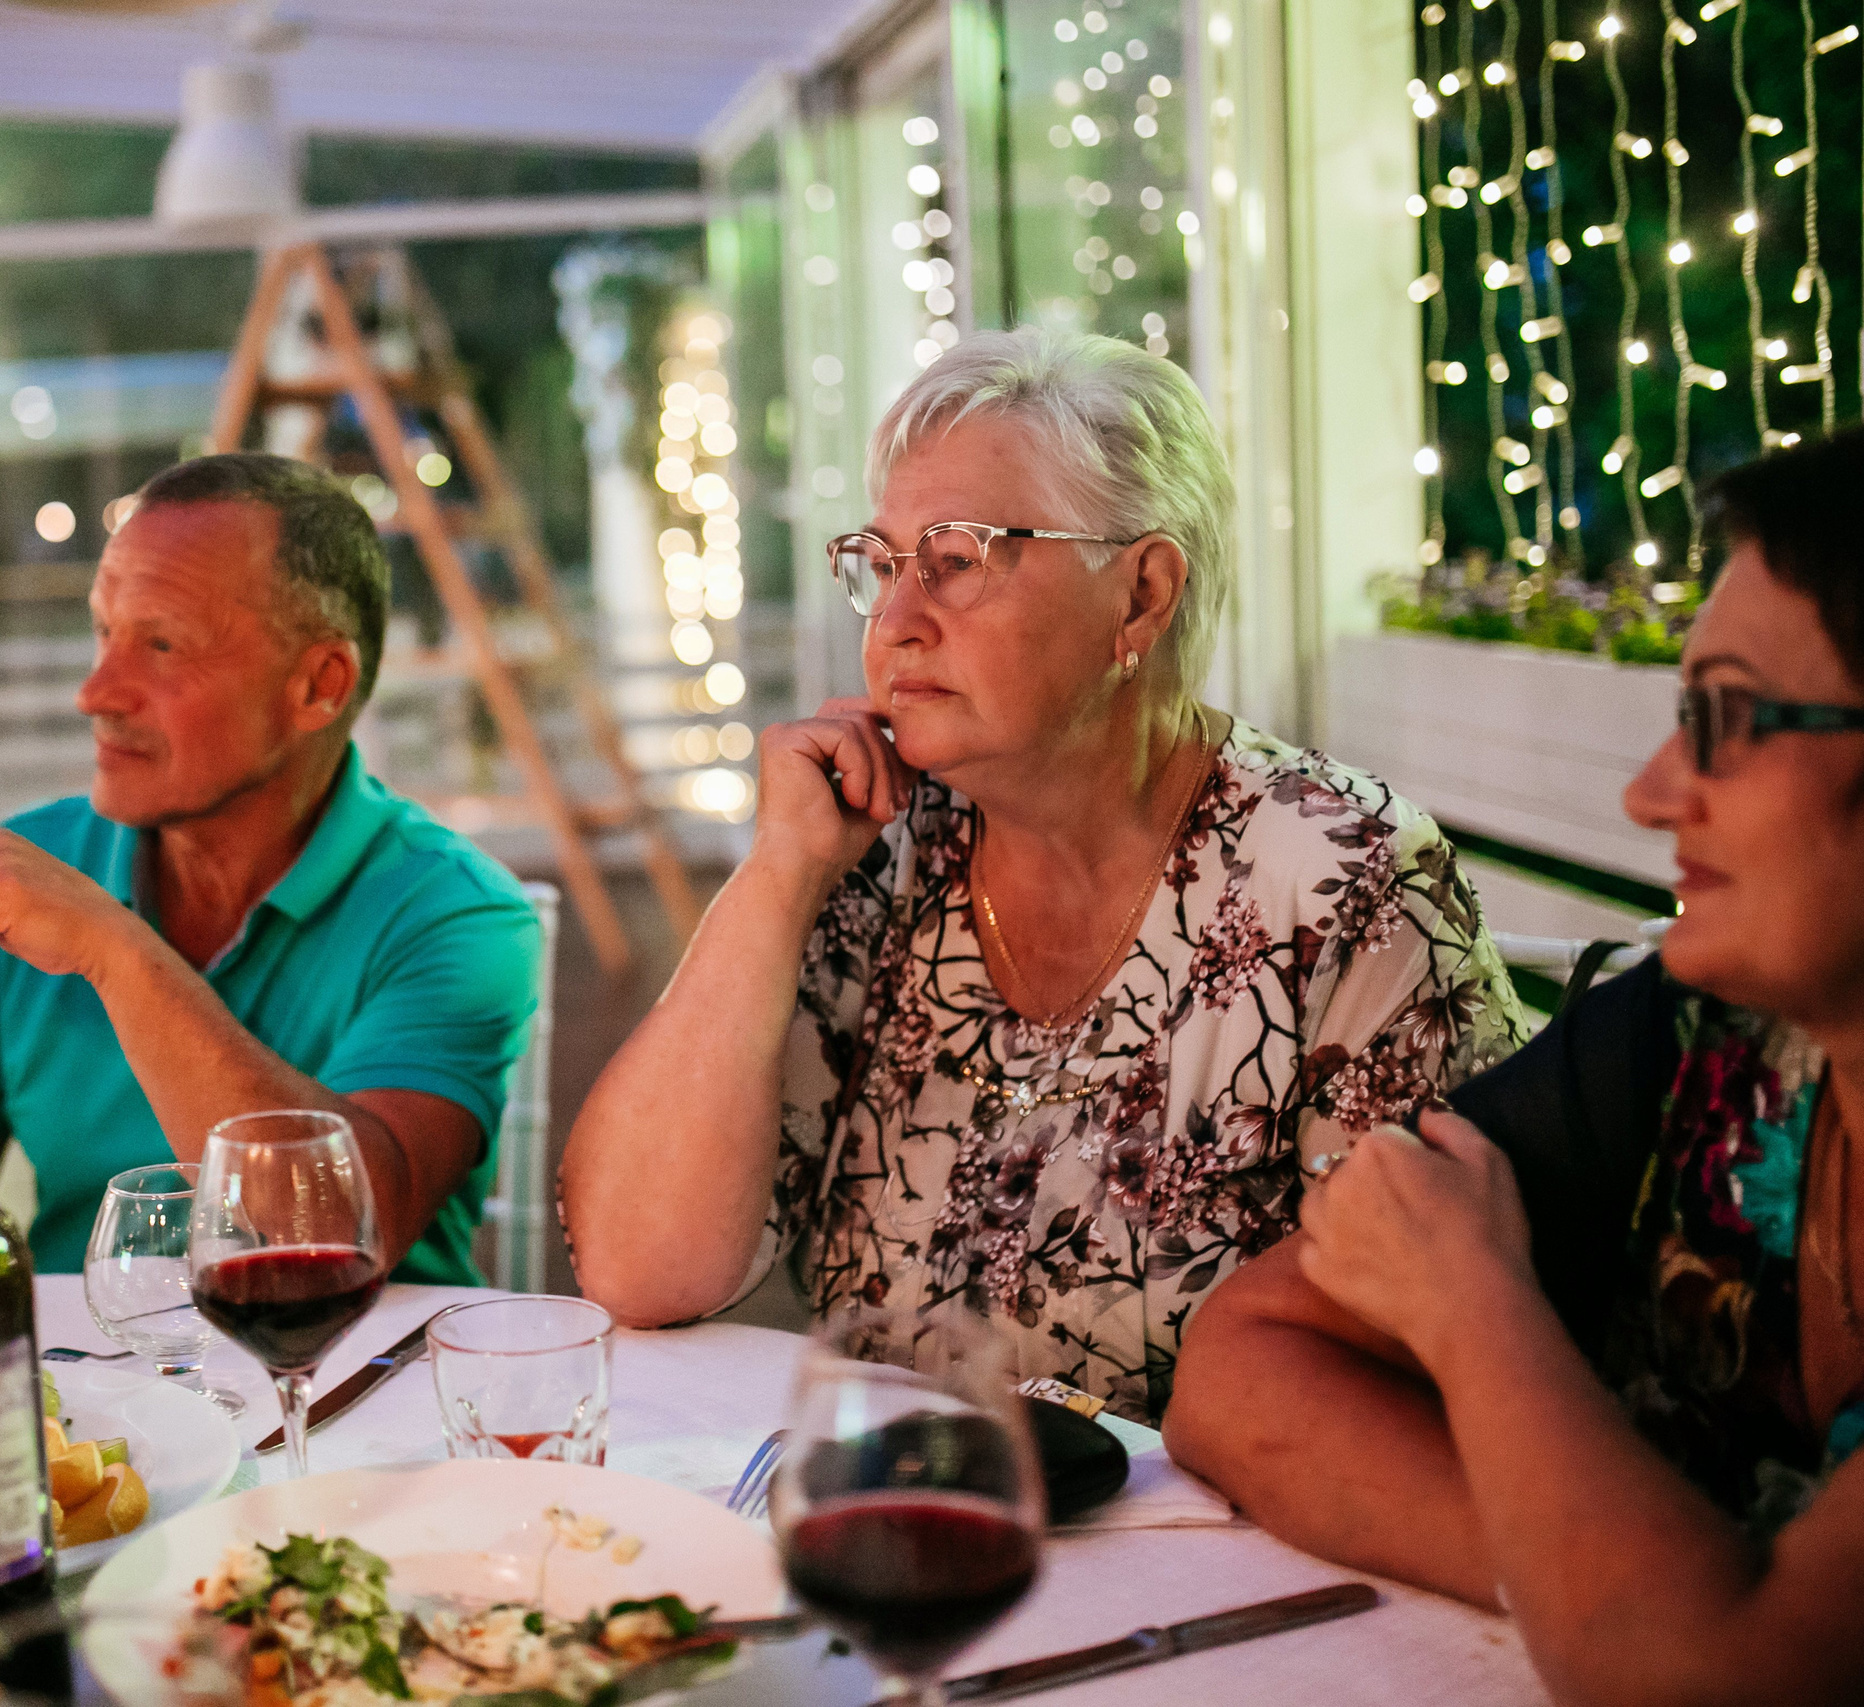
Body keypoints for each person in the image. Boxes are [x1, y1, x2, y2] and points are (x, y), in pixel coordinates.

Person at [560, 327, 1524, 1420]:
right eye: (881, 565)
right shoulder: (877, 851)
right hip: (906, 1520)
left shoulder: (1342, 880)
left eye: (956, 561)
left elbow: (1426, 1349)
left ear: (1142, 596)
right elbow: (640, 1267)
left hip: (1216, 1553)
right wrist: (779, 876)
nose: (896, 621)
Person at [1163, 432, 1864, 1707]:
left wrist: (1472, 1305)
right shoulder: (1702, 1048)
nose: (1652, 795)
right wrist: (1614, 1581)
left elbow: (1722, 1683)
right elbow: (1240, 1369)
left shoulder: (1317, 858)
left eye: (1725, 718)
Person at [0, 453, 542, 1283]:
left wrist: (114, 951)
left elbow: (341, 1231)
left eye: (163, 644)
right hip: (82, 1399)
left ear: (319, 684)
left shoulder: (457, 913)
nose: (97, 691)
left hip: (359, 1396)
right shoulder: (15, 887)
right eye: (103, 632)